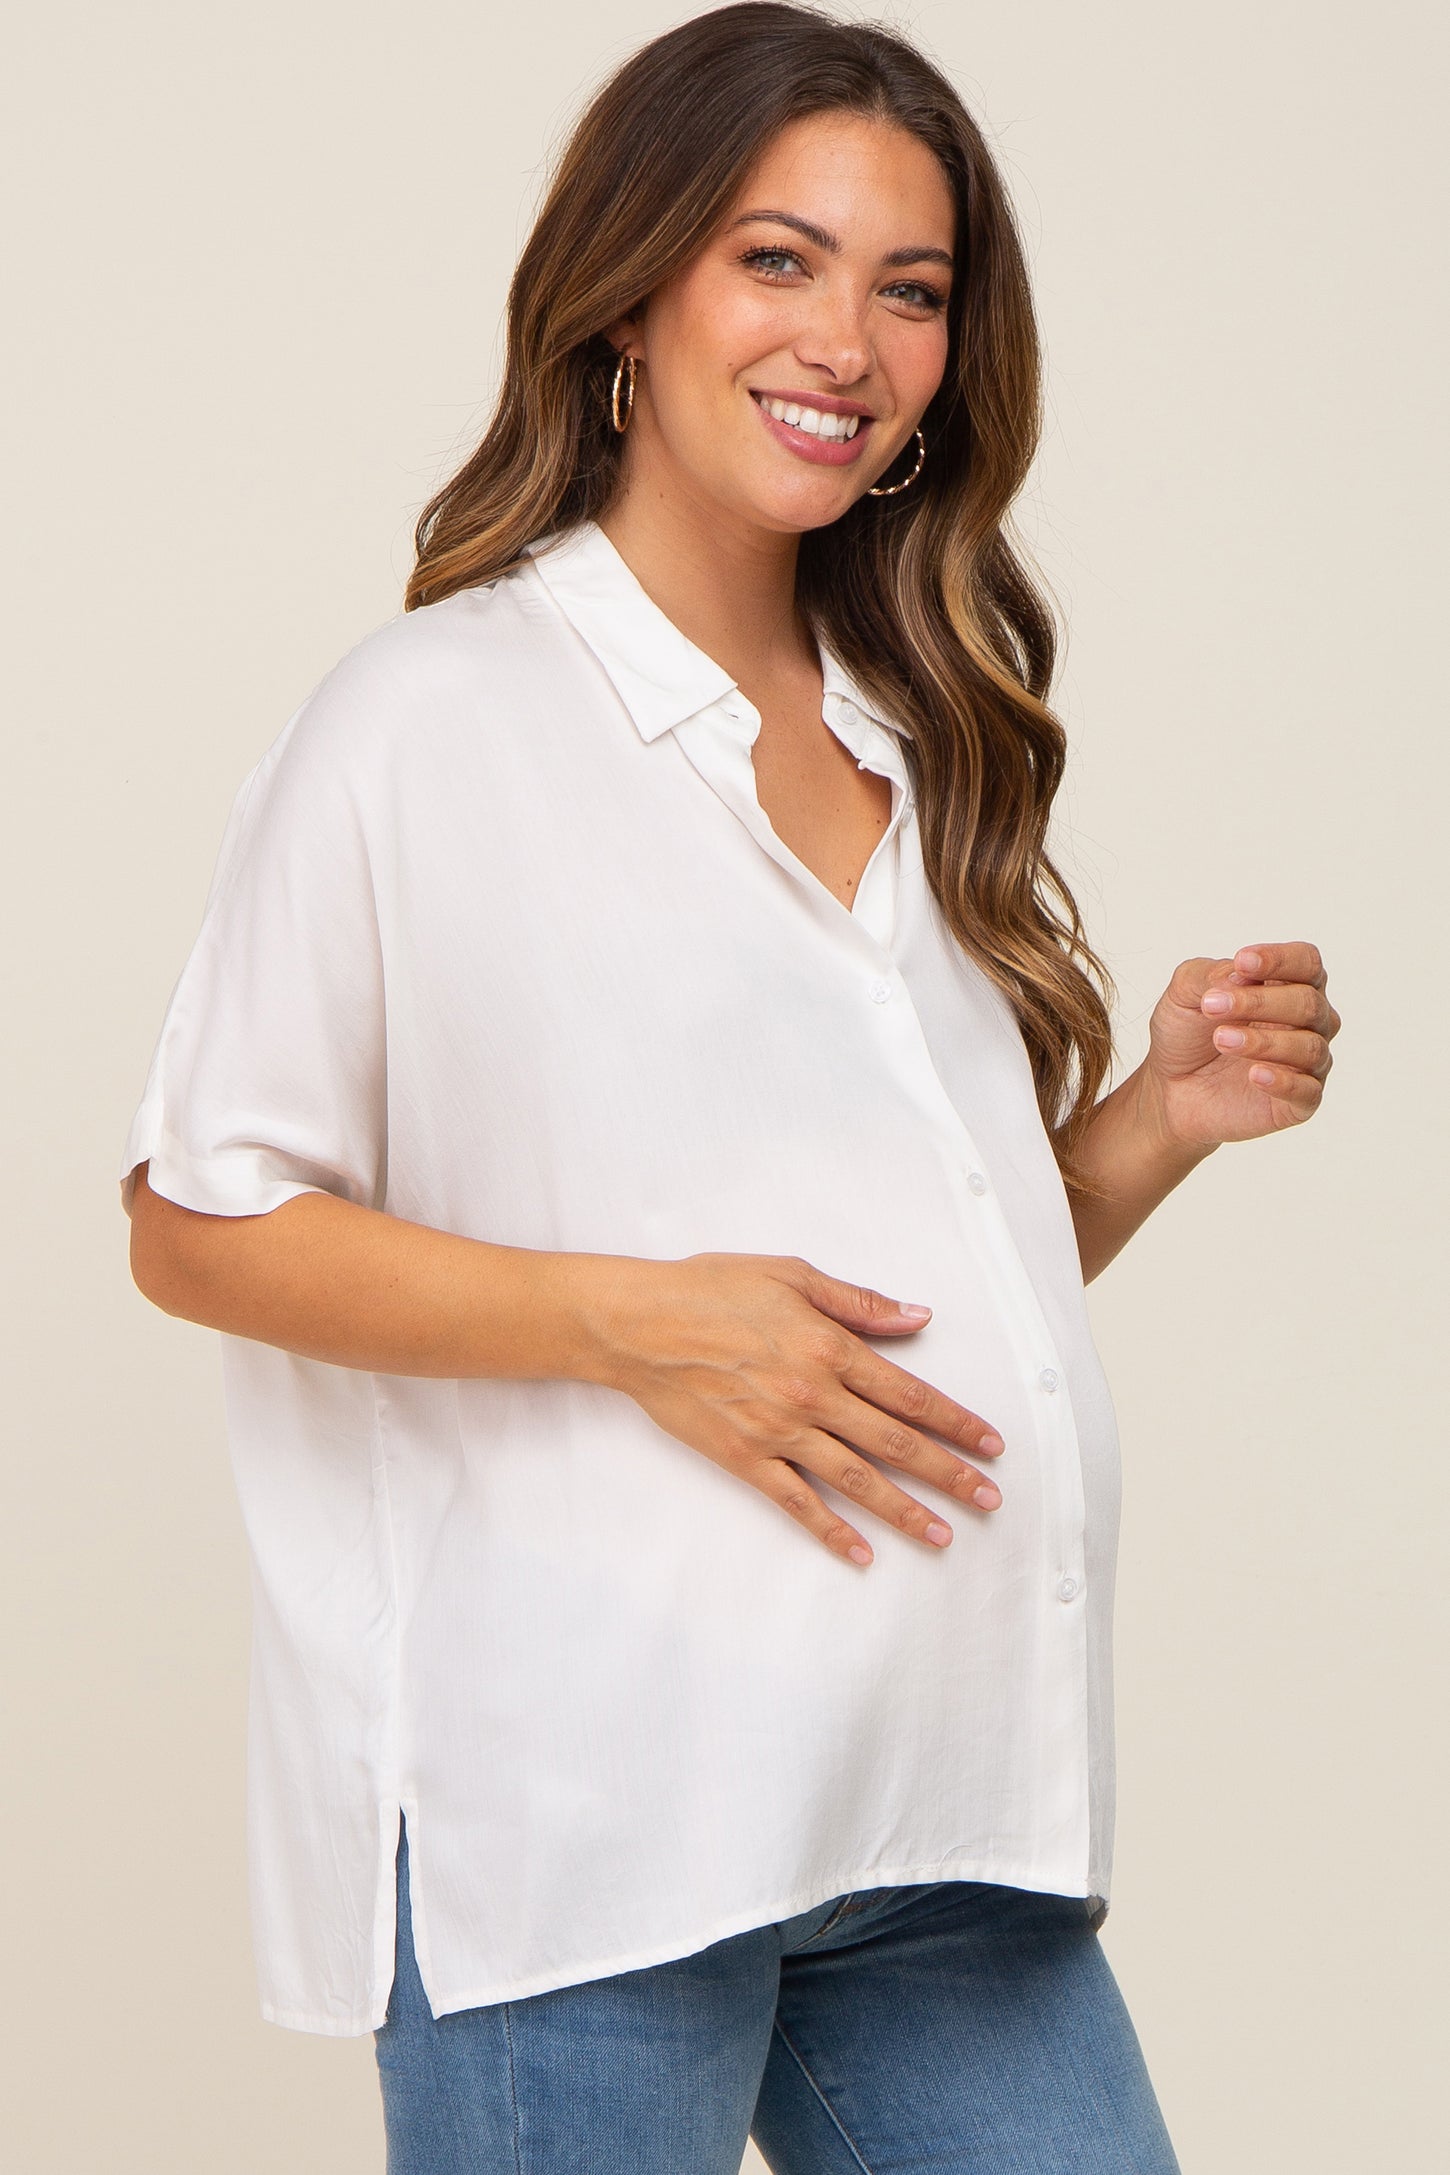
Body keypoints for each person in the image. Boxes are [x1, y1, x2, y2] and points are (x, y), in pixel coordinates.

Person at [119, 5, 1339, 2168]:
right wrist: (635, 1321)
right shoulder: (433, 723)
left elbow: (901, 1303)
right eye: (777, 260)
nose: (845, 343)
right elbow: (194, 1221)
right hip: (590, 1826)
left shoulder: (910, 730)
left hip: (943, 1818)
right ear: (630, 297)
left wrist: (1154, 1117)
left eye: (909, 288)